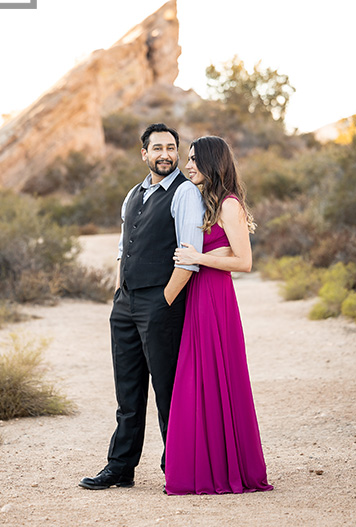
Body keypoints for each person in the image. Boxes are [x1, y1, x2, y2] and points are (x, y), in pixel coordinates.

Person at [81, 123, 205, 490]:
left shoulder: (185, 194)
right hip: (126, 303)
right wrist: (121, 294)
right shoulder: (133, 194)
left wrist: (165, 300)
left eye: (171, 148)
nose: (165, 154)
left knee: (167, 390)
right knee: (128, 392)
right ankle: (120, 467)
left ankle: (179, 466)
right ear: (144, 154)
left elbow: (188, 256)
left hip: (160, 302)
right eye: (158, 148)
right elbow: (124, 248)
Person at [164, 135, 273, 495]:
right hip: (199, 296)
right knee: (196, 381)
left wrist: (199, 258)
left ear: (213, 163)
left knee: (215, 377)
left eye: (195, 159)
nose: (188, 164)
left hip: (216, 297)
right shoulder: (203, 201)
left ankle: (226, 468)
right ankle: (201, 467)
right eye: (189, 158)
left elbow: (243, 262)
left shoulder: (228, 204)